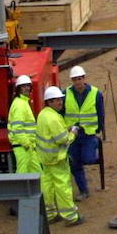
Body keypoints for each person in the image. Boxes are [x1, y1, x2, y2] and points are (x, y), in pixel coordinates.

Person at [35, 86, 82, 226]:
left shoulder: (43, 114)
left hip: (45, 158)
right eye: (56, 100)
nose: (60, 102)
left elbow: (50, 134)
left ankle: (50, 214)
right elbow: (63, 139)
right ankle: (71, 216)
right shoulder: (55, 118)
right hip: (57, 159)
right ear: (49, 102)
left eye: (60, 99)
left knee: (47, 186)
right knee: (63, 187)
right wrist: (73, 132)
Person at [64, 65, 104, 201]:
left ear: (84, 78)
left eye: (79, 79)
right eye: (74, 79)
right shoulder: (66, 94)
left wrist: (99, 129)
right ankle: (83, 190)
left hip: (88, 134)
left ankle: (92, 149)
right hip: (72, 134)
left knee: (88, 159)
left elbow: (100, 113)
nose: (77, 82)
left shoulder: (96, 93)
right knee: (75, 164)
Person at [6, 74, 40, 177]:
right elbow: (17, 129)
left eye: (28, 85)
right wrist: (27, 143)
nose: (27, 88)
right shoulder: (19, 105)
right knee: (23, 174)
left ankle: (42, 193)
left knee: (37, 173)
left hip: (28, 146)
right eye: (23, 86)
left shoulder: (23, 102)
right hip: (23, 147)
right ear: (18, 89)